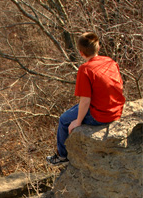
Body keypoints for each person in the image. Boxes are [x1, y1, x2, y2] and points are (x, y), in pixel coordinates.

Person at [46, 32, 125, 165]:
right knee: (73, 111)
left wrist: (77, 121)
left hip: (101, 115)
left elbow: (85, 101)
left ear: (81, 53)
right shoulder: (109, 61)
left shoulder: (85, 69)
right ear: (98, 47)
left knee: (64, 119)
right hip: (117, 109)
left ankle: (62, 156)